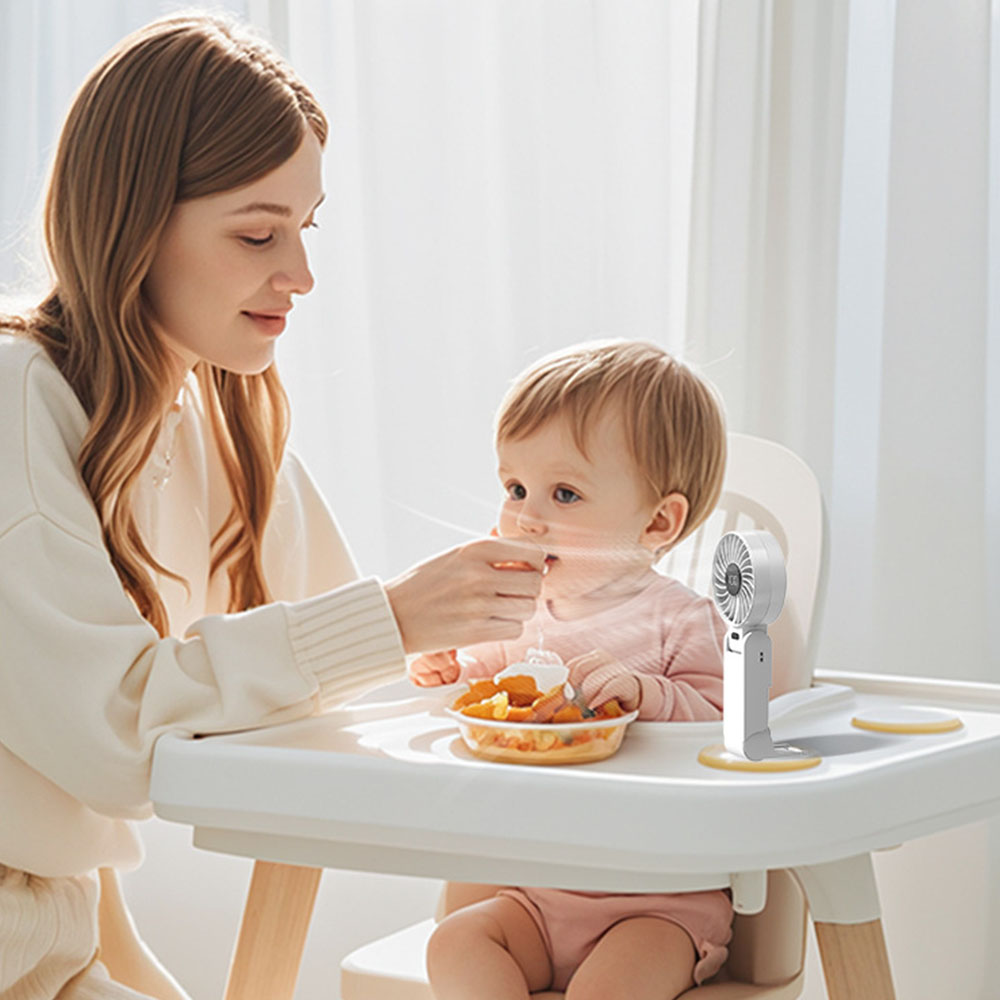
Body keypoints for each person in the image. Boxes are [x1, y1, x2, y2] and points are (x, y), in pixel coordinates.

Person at [0, 13, 544, 1000]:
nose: (299, 276)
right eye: (258, 233)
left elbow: (358, 666)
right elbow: (113, 731)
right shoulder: (14, 403)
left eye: (305, 228)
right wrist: (393, 616)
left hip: (53, 942)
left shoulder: (208, 422)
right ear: (133, 224)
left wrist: (543, 661)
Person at [409, 340, 734, 1000]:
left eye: (564, 493)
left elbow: (726, 722)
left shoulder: (683, 619)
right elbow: (489, 691)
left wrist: (651, 695)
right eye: (515, 488)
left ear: (658, 522)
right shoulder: (517, 612)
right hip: (535, 892)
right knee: (455, 941)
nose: (527, 517)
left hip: (656, 903)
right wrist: (451, 671)